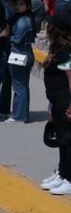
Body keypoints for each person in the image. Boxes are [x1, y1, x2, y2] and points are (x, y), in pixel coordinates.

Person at [39, 11, 71, 194]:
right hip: (57, 101)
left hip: (66, 101)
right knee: (62, 139)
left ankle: (69, 178)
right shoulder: (58, 48)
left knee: (68, 140)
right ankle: (63, 173)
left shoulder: (67, 52)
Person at [6, 0, 35, 123]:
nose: (18, 6)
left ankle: (19, 115)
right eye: (16, 4)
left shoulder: (23, 21)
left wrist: (8, 36)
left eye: (21, 4)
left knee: (19, 85)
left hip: (20, 53)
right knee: (22, 85)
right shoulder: (26, 19)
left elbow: (16, 39)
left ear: (28, 6)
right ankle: (20, 113)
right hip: (25, 52)